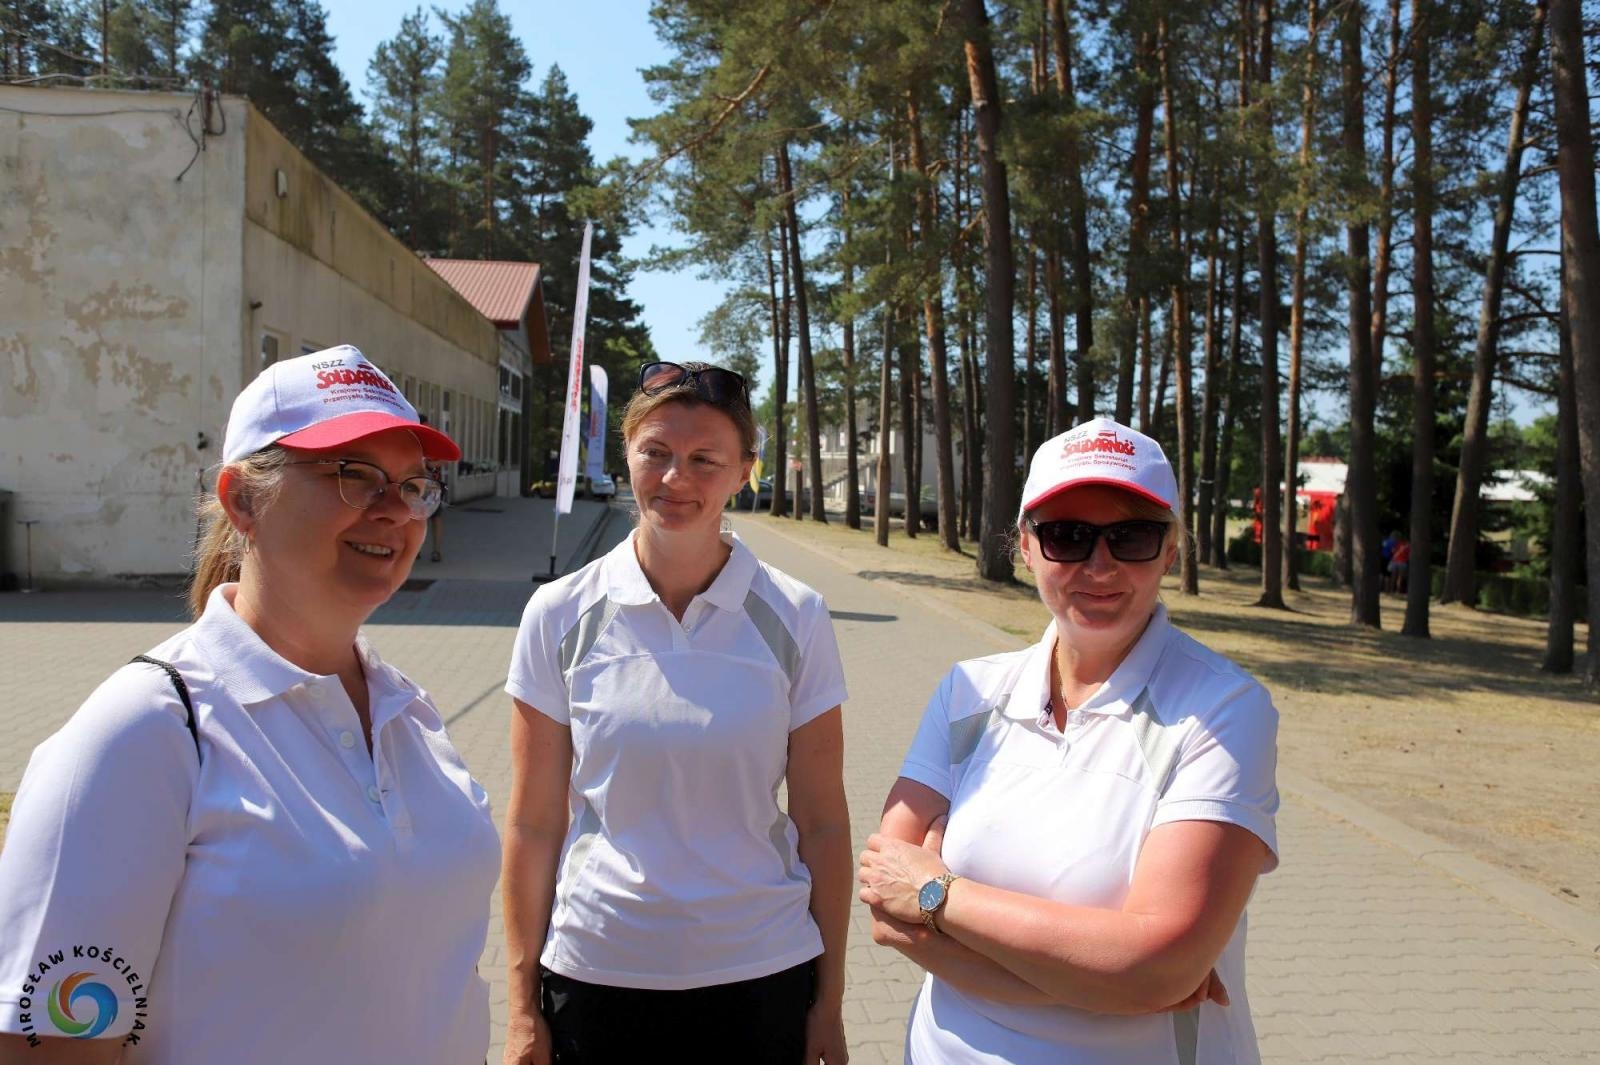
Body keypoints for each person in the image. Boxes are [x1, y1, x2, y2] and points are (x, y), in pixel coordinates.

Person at [0, 346, 501, 1064]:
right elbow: (47, 1047)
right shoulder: (145, 731)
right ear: (242, 498)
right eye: (354, 476)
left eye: (414, 484)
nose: (395, 510)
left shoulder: (409, 714)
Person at [859, 417, 1280, 1065]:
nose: (1099, 564)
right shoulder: (967, 690)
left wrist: (940, 892)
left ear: (1171, 550)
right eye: (1067, 536)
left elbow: (1153, 968)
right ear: (1025, 546)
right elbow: (886, 906)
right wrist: (1111, 980)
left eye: (1132, 535)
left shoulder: (1222, 709)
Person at [502, 360, 852, 1065]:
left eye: (703, 459)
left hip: (760, 975)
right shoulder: (560, 612)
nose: (674, 479)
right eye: (655, 453)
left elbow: (822, 821)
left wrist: (831, 1002)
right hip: (598, 973)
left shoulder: (796, 615)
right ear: (626, 451)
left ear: (744, 469)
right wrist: (518, 1007)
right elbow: (534, 822)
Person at [419, 413, 449, 562]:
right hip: (424, 485)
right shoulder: (418, 439)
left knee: (431, 517)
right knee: (425, 518)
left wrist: (431, 465)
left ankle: (433, 550)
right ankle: (428, 550)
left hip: (430, 485)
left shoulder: (430, 439)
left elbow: (445, 458)